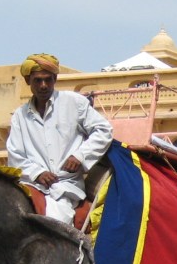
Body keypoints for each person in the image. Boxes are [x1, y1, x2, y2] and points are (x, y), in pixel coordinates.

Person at [6, 53, 113, 225]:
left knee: (55, 222)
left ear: (55, 79)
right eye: (38, 80)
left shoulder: (74, 103)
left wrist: (80, 155)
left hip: (65, 185)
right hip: (31, 184)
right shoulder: (20, 116)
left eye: (48, 80)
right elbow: (15, 156)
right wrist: (37, 173)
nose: (43, 85)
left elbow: (104, 130)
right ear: (28, 81)